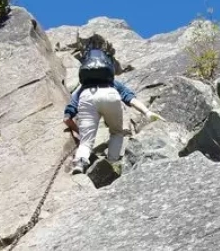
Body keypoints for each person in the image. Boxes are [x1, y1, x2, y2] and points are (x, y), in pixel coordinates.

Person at [64, 36, 158, 173]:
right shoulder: (112, 82)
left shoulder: (82, 87)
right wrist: (147, 112)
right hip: (110, 94)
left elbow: (67, 117)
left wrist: (79, 131)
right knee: (117, 132)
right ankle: (112, 162)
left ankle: (80, 163)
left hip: (87, 96)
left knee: (86, 141)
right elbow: (129, 98)